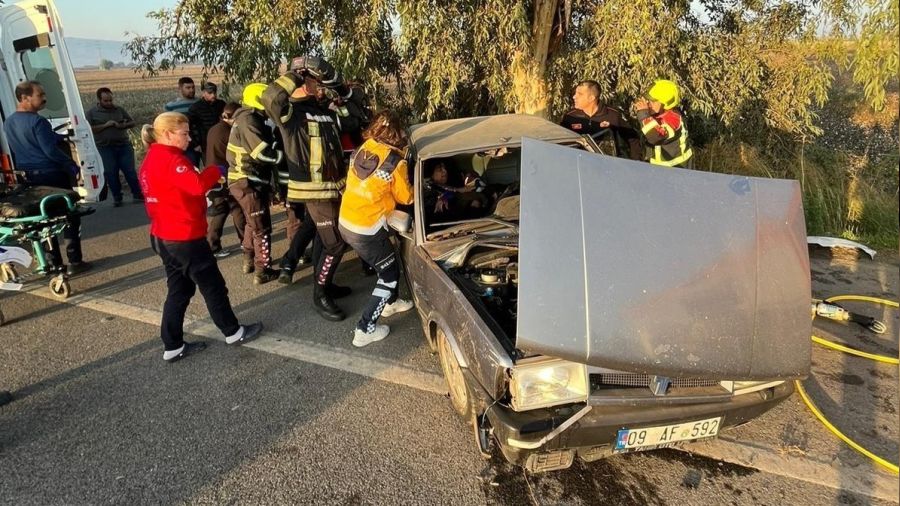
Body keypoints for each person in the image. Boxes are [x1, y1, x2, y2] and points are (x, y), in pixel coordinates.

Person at [138, 112, 262, 363]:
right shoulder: (172, 159)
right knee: (213, 286)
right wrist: (215, 171)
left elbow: (180, 190)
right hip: (184, 237)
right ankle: (233, 332)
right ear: (167, 134)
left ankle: (172, 345)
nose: (188, 138)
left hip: (163, 235)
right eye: (184, 134)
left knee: (179, 290)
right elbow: (195, 185)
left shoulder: (151, 158)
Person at [261, 55, 356, 321]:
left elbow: (352, 122)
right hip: (315, 192)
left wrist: (342, 95)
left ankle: (326, 283)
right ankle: (320, 294)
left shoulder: (324, 110)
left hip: (335, 188)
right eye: (315, 82)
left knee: (323, 242)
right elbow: (270, 98)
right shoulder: (291, 112)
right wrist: (297, 75)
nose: (319, 86)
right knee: (336, 245)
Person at [338, 110, 414, 346]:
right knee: (389, 275)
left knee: (388, 262)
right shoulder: (394, 161)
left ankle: (390, 304)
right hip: (366, 229)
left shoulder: (366, 146)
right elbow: (408, 197)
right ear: (395, 133)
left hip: (347, 220)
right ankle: (364, 328)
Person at [3, 81, 90, 276]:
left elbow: (29, 144)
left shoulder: (9, 122)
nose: (43, 98)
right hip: (51, 174)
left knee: (42, 222)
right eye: (39, 94)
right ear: (25, 98)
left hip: (30, 177)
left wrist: (54, 136)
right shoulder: (37, 121)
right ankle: (75, 260)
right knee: (68, 216)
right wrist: (71, 164)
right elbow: (50, 151)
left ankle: (52, 263)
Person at [227, 84, 283, 285]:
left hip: (246, 181)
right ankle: (263, 269)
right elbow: (261, 153)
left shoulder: (249, 118)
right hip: (247, 181)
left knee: (252, 224)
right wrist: (284, 156)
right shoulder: (249, 120)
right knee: (262, 227)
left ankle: (248, 260)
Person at [86, 87, 143, 207]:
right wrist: (105, 126)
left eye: (111, 100)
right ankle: (117, 197)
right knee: (111, 172)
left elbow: (132, 122)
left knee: (130, 171)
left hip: (123, 145)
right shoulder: (92, 113)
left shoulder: (119, 110)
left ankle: (137, 194)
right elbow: (88, 129)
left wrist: (121, 125)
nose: (109, 103)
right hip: (105, 147)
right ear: (99, 100)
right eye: (106, 101)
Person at [560, 80, 641, 160]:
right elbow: (560, 141)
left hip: (606, 165)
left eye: (579, 94)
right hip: (579, 165)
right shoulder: (570, 116)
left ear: (591, 98)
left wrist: (635, 162)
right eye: (575, 93)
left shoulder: (613, 115)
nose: (574, 97)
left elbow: (633, 138)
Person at [204, 102, 246, 258]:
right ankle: (216, 244)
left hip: (214, 174)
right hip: (224, 176)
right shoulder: (228, 132)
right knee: (229, 210)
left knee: (230, 209)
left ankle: (240, 241)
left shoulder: (215, 129)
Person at [634, 79, 693, 168]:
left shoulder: (673, 119)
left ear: (665, 103)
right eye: (648, 100)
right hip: (659, 168)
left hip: (678, 169)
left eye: (653, 101)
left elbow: (656, 136)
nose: (648, 104)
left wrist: (643, 114)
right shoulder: (656, 114)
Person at [164, 77, 201, 166]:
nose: (191, 90)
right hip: (179, 143)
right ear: (180, 89)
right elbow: (168, 125)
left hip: (196, 143)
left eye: (193, 87)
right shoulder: (171, 106)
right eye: (188, 88)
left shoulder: (200, 103)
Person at [188, 82, 226, 161]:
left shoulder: (221, 104)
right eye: (210, 93)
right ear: (204, 93)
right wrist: (195, 144)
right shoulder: (195, 108)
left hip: (221, 142)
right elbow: (189, 127)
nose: (213, 95)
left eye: (214, 92)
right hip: (205, 145)